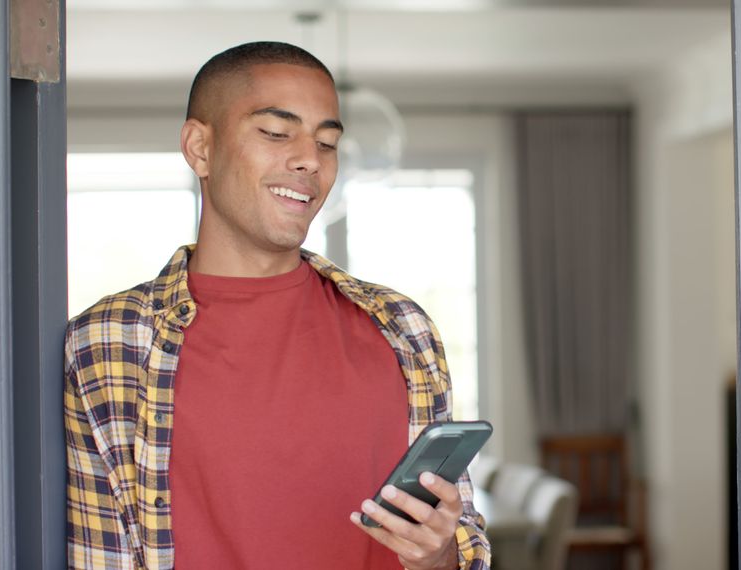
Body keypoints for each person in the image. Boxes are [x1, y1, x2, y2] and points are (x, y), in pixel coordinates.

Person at [64, 41, 490, 570]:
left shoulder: (403, 329)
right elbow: (98, 555)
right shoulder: (105, 344)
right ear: (200, 148)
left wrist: (440, 554)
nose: (310, 159)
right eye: (275, 133)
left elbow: (460, 546)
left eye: (328, 142)